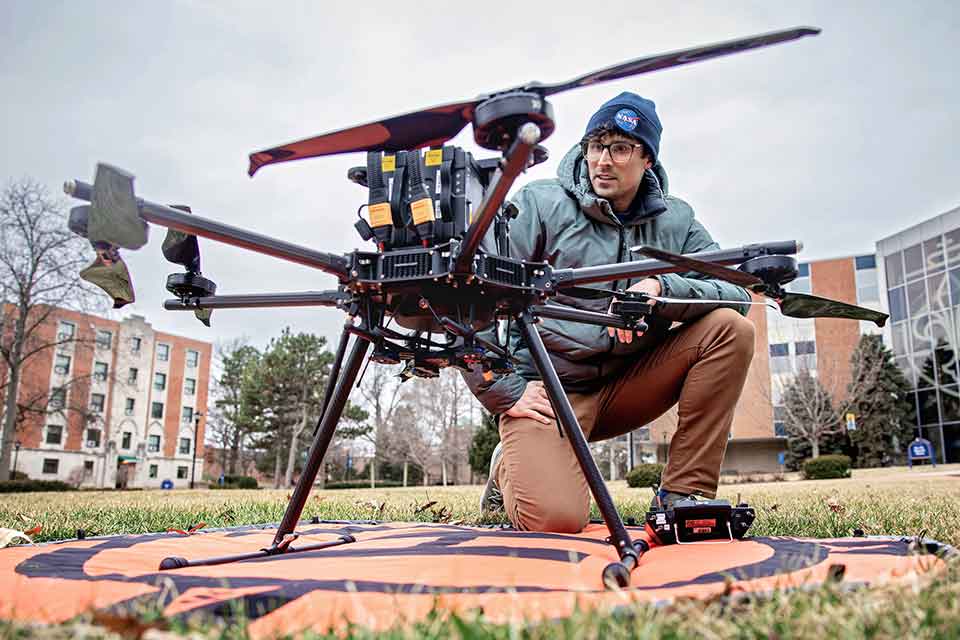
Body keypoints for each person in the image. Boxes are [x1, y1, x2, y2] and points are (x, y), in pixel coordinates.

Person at [465, 92, 756, 533]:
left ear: (647, 160)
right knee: (555, 521)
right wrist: (504, 390)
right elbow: (474, 293)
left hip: (629, 385)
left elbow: (737, 291)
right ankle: (507, 468)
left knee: (731, 329)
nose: (603, 160)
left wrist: (662, 287)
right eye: (596, 146)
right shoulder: (540, 204)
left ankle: (683, 494)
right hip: (550, 394)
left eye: (620, 148)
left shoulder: (677, 221)